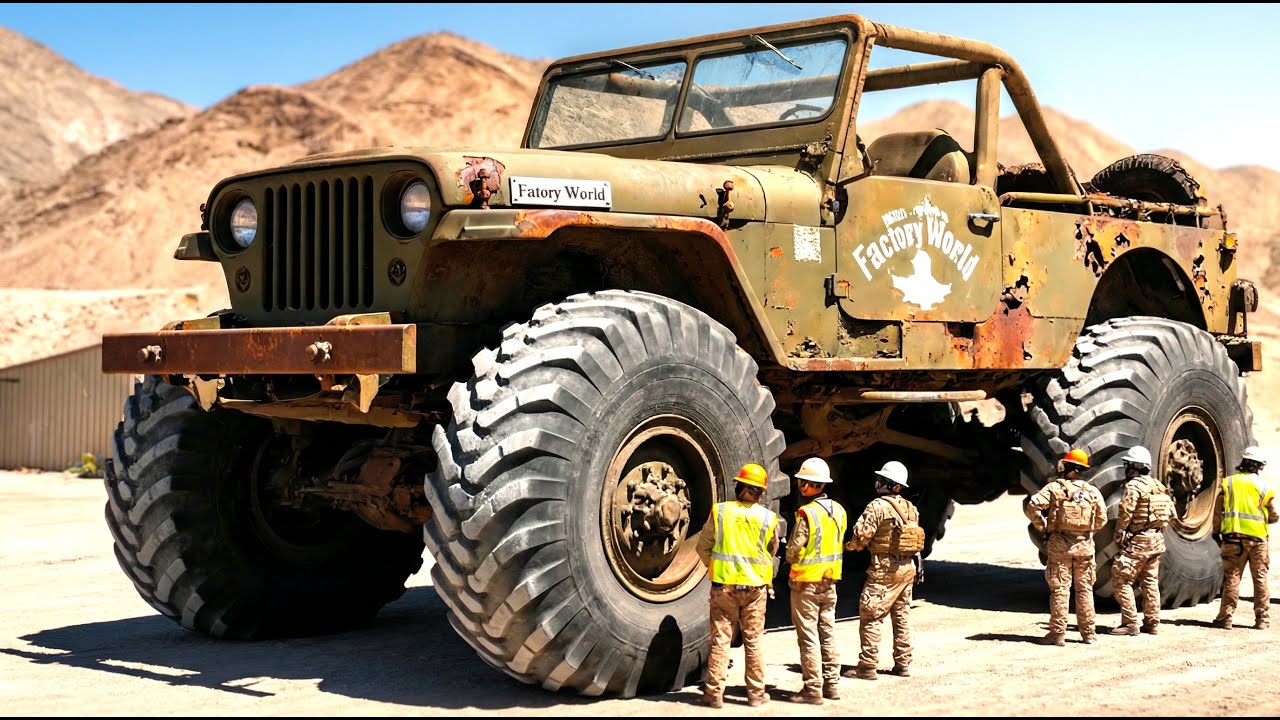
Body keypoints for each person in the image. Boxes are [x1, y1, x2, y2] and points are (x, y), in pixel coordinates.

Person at [696, 463, 782, 708]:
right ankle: (755, 694)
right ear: (760, 493)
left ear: (739, 486)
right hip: (755, 590)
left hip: (724, 587)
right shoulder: (768, 518)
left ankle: (713, 694)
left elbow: (702, 546)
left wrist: (715, 568)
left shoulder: (720, 512)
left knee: (721, 640)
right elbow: (772, 550)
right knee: (754, 641)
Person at [842, 460, 923, 681]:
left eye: (880, 479)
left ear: (886, 483)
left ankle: (867, 666)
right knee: (902, 616)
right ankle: (903, 663)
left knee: (871, 615)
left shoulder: (877, 506)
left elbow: (861, 536)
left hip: (884, 570)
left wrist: (848, 547)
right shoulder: (910, 508)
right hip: (907, 568)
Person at [1024, 448, 1107, 645]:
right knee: (1085, 589)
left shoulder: (1055, 488)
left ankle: (1057, 634)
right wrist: (1086, 532)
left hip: (1059, 545)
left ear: (1067, 467)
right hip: (1085, 547)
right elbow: (1102, 518)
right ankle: (1089, 634)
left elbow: (1033, 506)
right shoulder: (1092, 491)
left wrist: (1042, 525)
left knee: (1060, 590)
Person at [785, 457, 848, 704]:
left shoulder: (806, 513)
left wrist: (788, 553)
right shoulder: (840, 511)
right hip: (830, 583)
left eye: (801, 481)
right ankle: (832, 684)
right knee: (828, 632)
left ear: (807, 485)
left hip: (807, 585)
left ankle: (812, 689)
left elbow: (793, 550)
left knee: (808, 637)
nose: (799, 484)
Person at [1109, 445, 1174, 636]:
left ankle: (1130, 622)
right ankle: (1152, 623)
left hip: (1139, 541)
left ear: (1134, 468)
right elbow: (1169, 513)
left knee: (1121, 580)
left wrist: (1120, 533)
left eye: (1128, 465)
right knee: (1150, 582)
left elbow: (1126, 511)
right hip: (1156, 539)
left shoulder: (1133, 486)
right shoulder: (1159, 486)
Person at [1212, 445, 1278, 630]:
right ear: (1260, 466)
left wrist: (1215, 531)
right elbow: (1273, 516)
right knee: (1260, 578)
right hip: (1258, 540)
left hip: (1232, 539)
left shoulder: (1229, 483)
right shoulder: (1264, 487)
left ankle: (1225, 618)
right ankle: (1262, 620)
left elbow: (1218, 512)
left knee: (1232, 578)